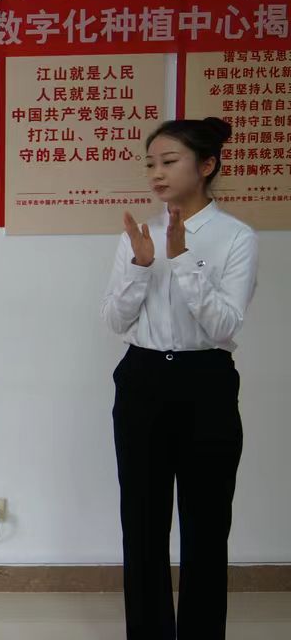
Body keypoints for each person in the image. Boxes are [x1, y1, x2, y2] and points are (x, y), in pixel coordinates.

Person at [101, 117, 256, 640]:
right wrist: (141, 266)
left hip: (205, 381)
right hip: (142, 378)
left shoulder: (236, 237)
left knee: (206, 524)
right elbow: (114, 321)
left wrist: (183, 260)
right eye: (151, 164)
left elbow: (225, 324)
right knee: (141, 522)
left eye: (169, 162)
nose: (157, 173)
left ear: (206, 165)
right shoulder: (137, 236)